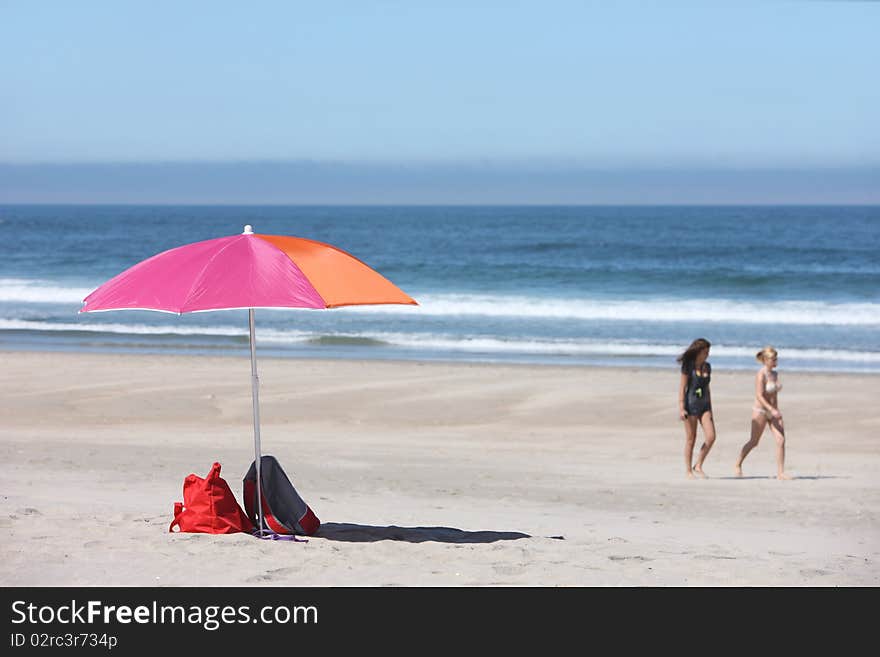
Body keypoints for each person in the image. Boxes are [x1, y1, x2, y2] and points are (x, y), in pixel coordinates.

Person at [735, 346, 792, 480]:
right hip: (760, 411)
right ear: (766, 360)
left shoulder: (775, 374)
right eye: (773, 359)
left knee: (781, 440)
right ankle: (738, 464)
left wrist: (775, 410)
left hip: (773, 412)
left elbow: (774, 395)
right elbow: (759, 395)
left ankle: (780, 472)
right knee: (754, 442)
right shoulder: (761, 374)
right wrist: (770, 409)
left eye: (776, 358)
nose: (775, 361)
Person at [677, 338, 716, 479]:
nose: (707, 354)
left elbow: (707, 389)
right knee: (691, 439)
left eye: (708, 352)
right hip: (690, 405)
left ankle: (698, 464)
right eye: (705, 352)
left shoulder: (708, 367)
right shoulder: (688, 366)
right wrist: (681, 407)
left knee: (711, 437)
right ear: (698, 352)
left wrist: (710, 408)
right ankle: (688, 470)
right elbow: (682, 388)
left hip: (704, 406)